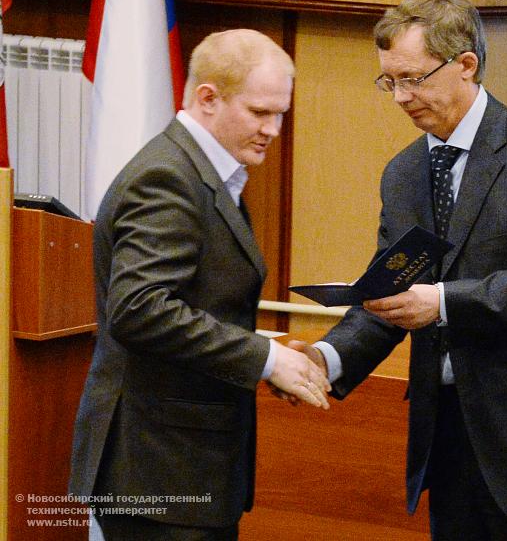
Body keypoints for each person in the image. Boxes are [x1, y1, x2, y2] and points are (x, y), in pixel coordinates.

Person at [291, 0, 507, 540]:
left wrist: (443, 302)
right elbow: (390, 294)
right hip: (449, 441)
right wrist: (326, 359)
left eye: (413, 79)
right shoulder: (403, 174)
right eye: (389, 82)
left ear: (466, 65)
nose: (400, 97)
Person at [69, 29, 330, 541]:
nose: (274, 129)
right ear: (207, 98)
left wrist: (272, 348)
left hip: (181, 467)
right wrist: (264, 358)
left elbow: (198, 302)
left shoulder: (207, 173)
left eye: (281, 113)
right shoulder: (167, 178)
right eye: (259, 112)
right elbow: (141, 309)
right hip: (158, 470)